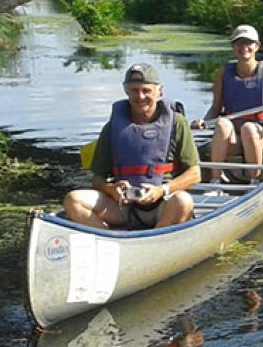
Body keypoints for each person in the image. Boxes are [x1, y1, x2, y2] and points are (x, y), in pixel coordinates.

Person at [63, 63, 201, 230]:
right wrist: (111, 189)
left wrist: (162, 190)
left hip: (163, 204)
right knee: (73, 200)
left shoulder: (177, 123)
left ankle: (155, 242)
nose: (140, 96)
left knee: (183, 201)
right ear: (126, 90)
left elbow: (195, 174)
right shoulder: (112, 128)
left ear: (159, 90)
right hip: (123, 207)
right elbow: (97, 179)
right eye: (134, 90)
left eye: (146, 90)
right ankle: (109, 239)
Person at [192, 25, 263, 182]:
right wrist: (204, 121)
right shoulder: (222, 73)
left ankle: (254, 180)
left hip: (262, 132)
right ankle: (215, 181)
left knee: (248, 129)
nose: (244, 47)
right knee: (222, 123)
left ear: (257, 46)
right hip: (233, 134)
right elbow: (215, 108)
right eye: (239, 43)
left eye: (249, 43)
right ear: (233, 46)